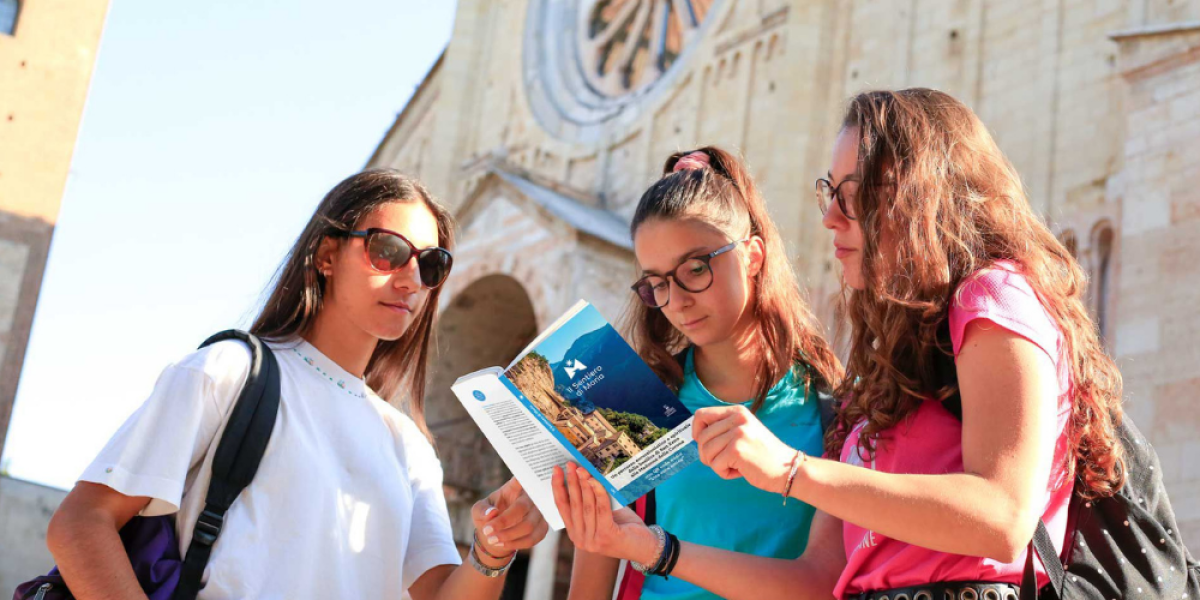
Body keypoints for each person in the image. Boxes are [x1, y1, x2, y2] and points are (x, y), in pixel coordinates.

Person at [554, 89, 1125, 600]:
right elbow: (820, 576)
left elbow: (1003, 517)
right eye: (828, 192)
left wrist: (790, 469)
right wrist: (655, 550)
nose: (827, 217)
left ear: (916, 192)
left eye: (849, 195)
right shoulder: (877, 376)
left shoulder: (990, 295)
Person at [46, 169, 549, 600]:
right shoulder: (228, 371)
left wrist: (492, 549)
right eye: (388, 250)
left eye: (430, 263)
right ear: (326, 255)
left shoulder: (410, 447)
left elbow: (438, 591)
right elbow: (81, 524)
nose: (410, 278)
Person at [558, 147, 843, 600]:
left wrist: (660, 550)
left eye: (695, 268)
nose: (677, 300)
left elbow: (823, 584)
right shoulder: (629, 403)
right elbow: (589, 588)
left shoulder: (836, 406)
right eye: (657, 283)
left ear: (753, 255)